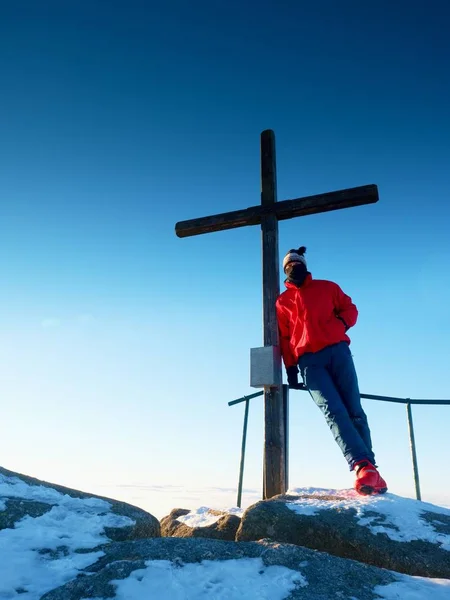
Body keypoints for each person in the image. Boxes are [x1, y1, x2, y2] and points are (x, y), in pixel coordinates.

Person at [275, 246, 387, 495]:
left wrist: (339, 325)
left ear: (304, 265)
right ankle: (362, 465)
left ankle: (370, 471)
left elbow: (350, 309)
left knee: (353, 409)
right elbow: (284, 337)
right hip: (309, 362)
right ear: (285, 270)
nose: (294, 267)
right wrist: (290, 368)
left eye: (297, 262)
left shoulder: (327, 287)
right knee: (333, 411)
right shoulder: (282, 302)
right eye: (289, 265)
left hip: (338, 353)